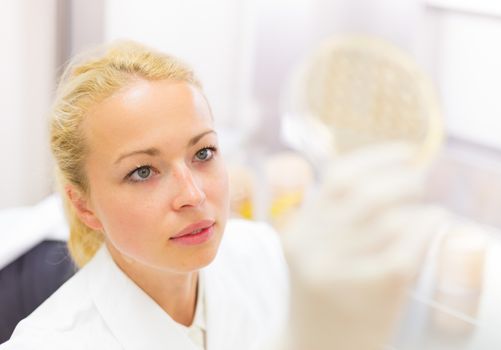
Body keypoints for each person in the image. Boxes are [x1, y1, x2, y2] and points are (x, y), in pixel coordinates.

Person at [0, 41, 288, 349]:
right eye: (143, 172)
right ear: (85, 206)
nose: (193, 194)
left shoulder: (261, 255)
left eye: (203, 153)